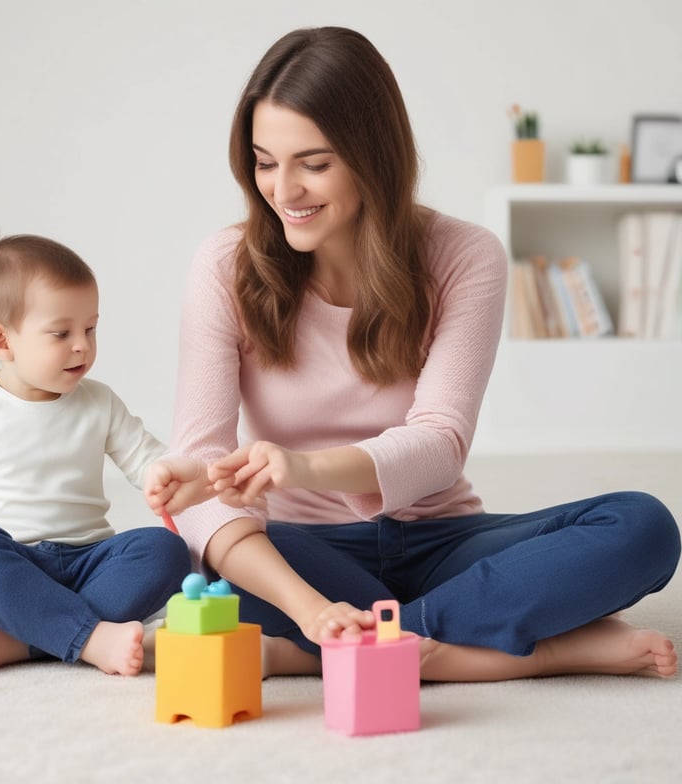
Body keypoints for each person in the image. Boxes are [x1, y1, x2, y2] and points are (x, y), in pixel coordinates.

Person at [145, 26, 680, 681]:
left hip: (441, 539)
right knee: (181, 557)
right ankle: (518, 651)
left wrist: (301, 466)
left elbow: (440, 443)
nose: (283, 191)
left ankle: (355, 647)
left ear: (373, 155)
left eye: (313, 163)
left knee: (642, 526)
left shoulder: (464, 255)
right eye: (264, 161)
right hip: (302, 547)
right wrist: (307, 604)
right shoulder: (225, 265)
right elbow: (201, 473)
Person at [0, 234, 209, 677]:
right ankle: (91, 637)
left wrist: (162, 473)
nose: (82, 345)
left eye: (90, 329)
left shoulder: (98, 401)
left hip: (89, 560)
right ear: (2, 341)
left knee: (167, 550)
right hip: (13, 564)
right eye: (62, 333)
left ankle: (24, 641)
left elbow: (144, 457)